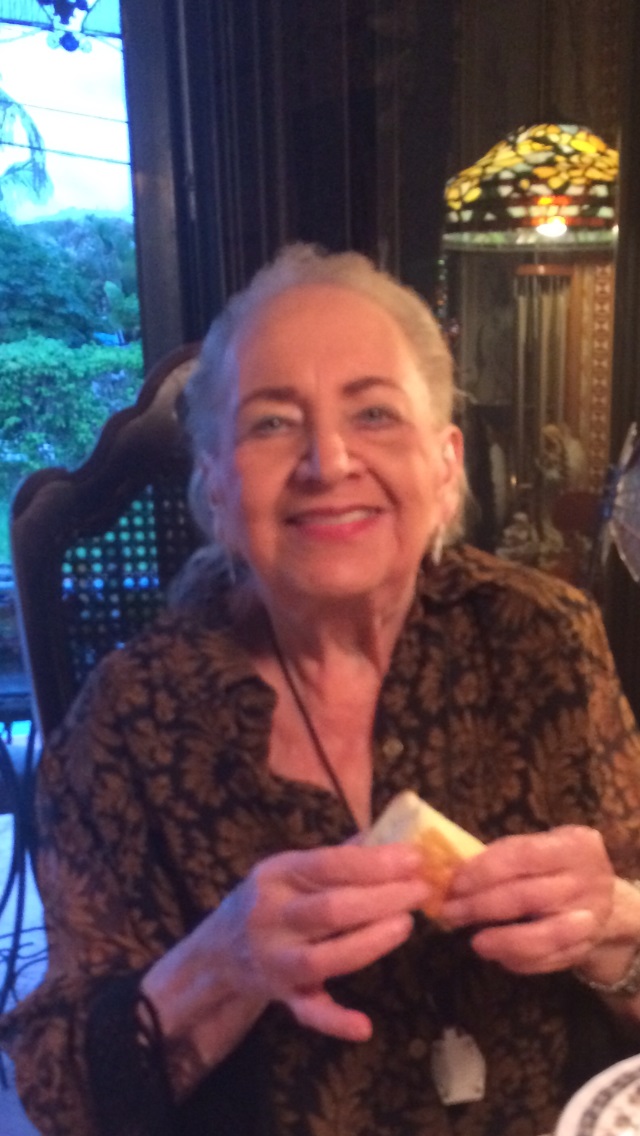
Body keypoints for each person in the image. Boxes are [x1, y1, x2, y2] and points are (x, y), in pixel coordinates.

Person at [2, 243, 640, 1136]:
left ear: (445, 465)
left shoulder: (544, 637)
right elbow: (59, 1095)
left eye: (374, 412)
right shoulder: (128, 719)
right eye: (272, 423)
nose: (329, 460)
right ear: (215, 485)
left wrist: (612, 924)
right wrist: (224, 962)